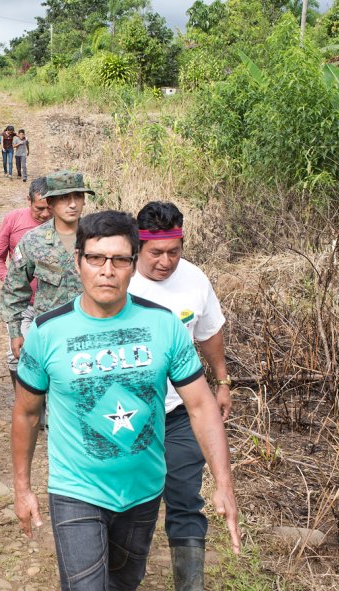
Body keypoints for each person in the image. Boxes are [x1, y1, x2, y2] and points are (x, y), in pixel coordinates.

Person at [11, 210, 241, 591]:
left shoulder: (163, 325)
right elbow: (26, 413)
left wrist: (223, 483)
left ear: (133, 265)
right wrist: (23, 489)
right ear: (78, 261)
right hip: (76, 490)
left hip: (143, 490)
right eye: (96, 258)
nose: (107, 270)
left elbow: (200, 406)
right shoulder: (47, 332)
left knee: (124, 583)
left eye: (119, 260)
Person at [127, 201, 233, 591]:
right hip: (128, 418)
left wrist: (222, 382)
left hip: (180, 413)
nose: (166, 261)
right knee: (131, 505)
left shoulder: (194, 279)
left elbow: (209, 330)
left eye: (175, 251)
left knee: (186, 499)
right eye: (156, 253)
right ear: (138, 246)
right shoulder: (118, 281)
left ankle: (190, 585)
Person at [0, 171, 91, 363]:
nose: (73, 204)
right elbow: (14, 288)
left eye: (78, 197)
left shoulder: (97, 237)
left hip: (90, 333)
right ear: (50, 203)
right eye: (64, 198)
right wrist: (15, 332)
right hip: (50, 334)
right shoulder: (34, 241)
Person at [0, 178, 51, 383]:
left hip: (53, 304)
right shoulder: (13, 220)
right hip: (23, 304)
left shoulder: (62, 226)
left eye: (49, 208)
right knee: (17, 354)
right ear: (29, 201)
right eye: (39, 209)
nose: (45, 214)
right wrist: (12, 282)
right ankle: (23, 402)